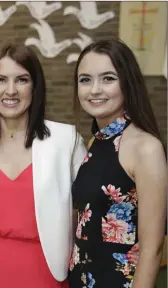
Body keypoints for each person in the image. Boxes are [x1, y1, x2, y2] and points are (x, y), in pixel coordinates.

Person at [0, 43, 87, 287]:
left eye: (22, 80)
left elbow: (90, 210)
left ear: (35, 86)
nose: (11, 90)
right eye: (1, 80)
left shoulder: (66, 141)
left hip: (46, 270)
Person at [69, 38, 167, 288]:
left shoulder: (145, 148)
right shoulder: (95, 142)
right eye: (85, 79)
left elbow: (152, 250)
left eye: (108, 78)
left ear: (127, 83)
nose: (95, 90)